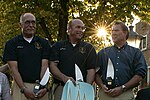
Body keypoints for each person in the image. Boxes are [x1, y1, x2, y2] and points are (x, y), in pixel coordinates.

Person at [3, 13, 51, 100]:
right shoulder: (12, 43)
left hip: (40, 88)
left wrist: (44, 87)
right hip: (20, 87)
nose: (31, 25)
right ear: (20, 25)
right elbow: (13, 69)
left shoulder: (44, 43)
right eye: (27, 22)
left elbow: (45, 66)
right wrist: (23, 89)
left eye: (33, 22)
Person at [95, 21, 147, 100]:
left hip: (125, 95)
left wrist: (123, 88)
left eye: (116, 30)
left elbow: (140, 75)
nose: (113, 33)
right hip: (105, 95)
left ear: (125, 33)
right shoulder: (103, 52)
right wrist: (102, 86)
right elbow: (95, 73)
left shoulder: (136, 53)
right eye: (112, 31)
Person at [49, 19, 96, 100]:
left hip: (82, 89)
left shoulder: (89, 48)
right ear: (69, 29)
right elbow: (52, 66)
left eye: (82, 28)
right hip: (61, 88)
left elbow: (91, 70)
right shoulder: (58, 46)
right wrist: (64, 78)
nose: (81, 30)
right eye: (78, 27)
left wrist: (85, 88)